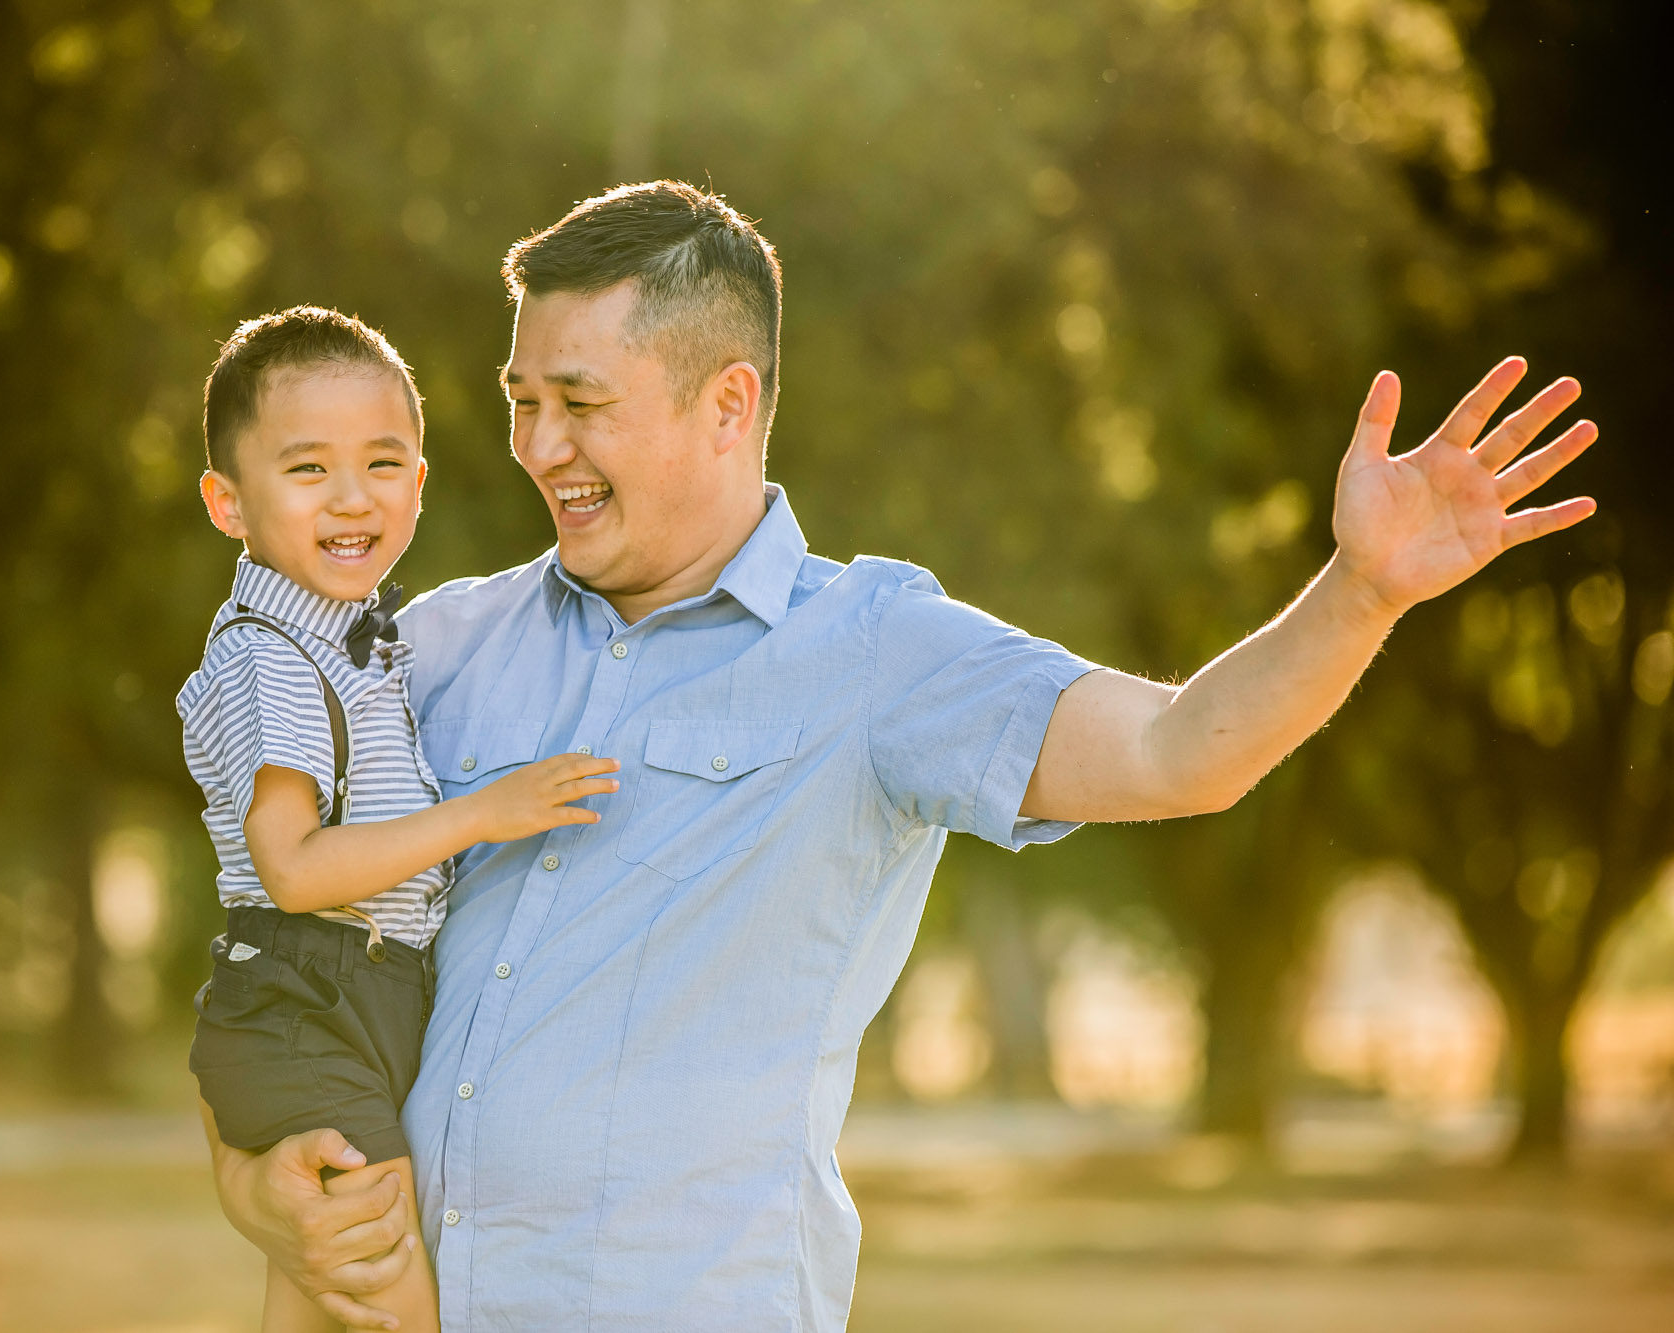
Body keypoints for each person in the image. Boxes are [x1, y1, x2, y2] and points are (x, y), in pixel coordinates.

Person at [204, 183, 1598, 1332]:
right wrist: (259, 1186)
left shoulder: (879, 653)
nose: (538, 448)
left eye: (580, 401)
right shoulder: (429, 643)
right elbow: (277, 957)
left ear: (727, 403)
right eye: (520, 401)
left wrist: (1361, 590)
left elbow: (1184, 751)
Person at [176, 306, 621, 1332]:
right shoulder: (273, 657)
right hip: (308, 992)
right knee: (385, 1283)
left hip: (357, 994)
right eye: (305, 470)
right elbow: (290, 867)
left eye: (382, 463)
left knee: (320, 1280)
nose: (350, 498)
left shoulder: (345, 640)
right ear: (226, 502)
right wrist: (484, 815)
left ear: (419, 481)